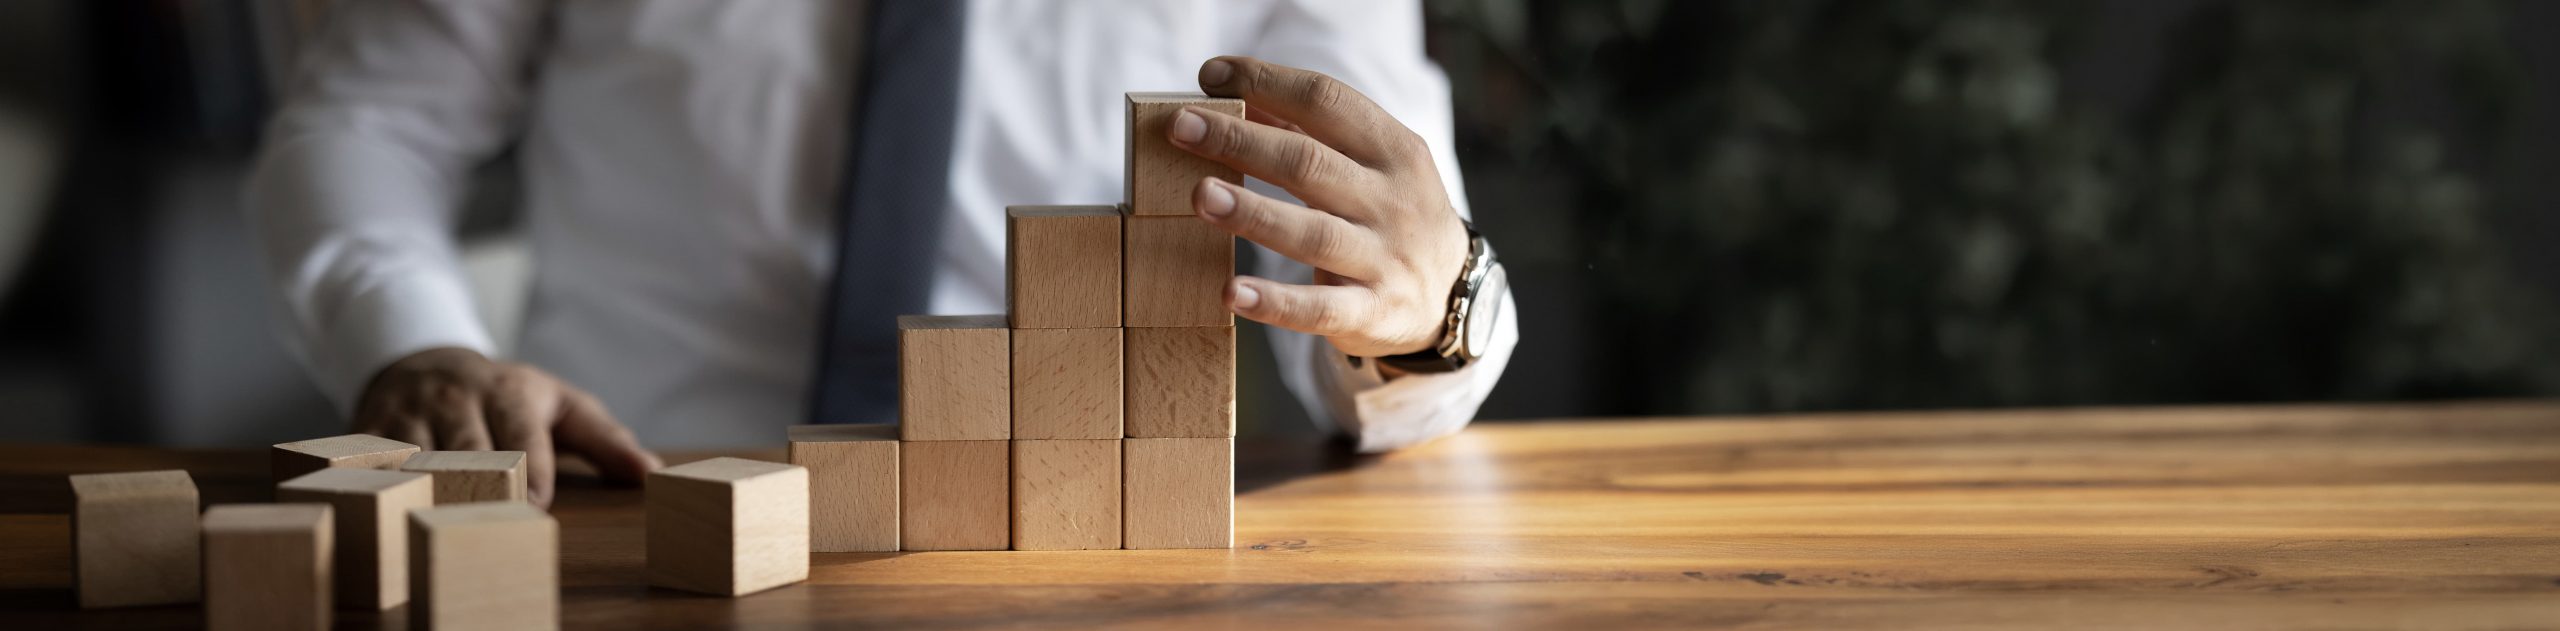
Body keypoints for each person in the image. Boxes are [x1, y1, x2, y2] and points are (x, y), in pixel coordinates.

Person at [247, 0, 1518, 507]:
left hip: (1079, 547)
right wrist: (414, 340)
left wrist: (1425, 314)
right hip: (617, 504)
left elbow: (1393, 247)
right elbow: (363, 122)